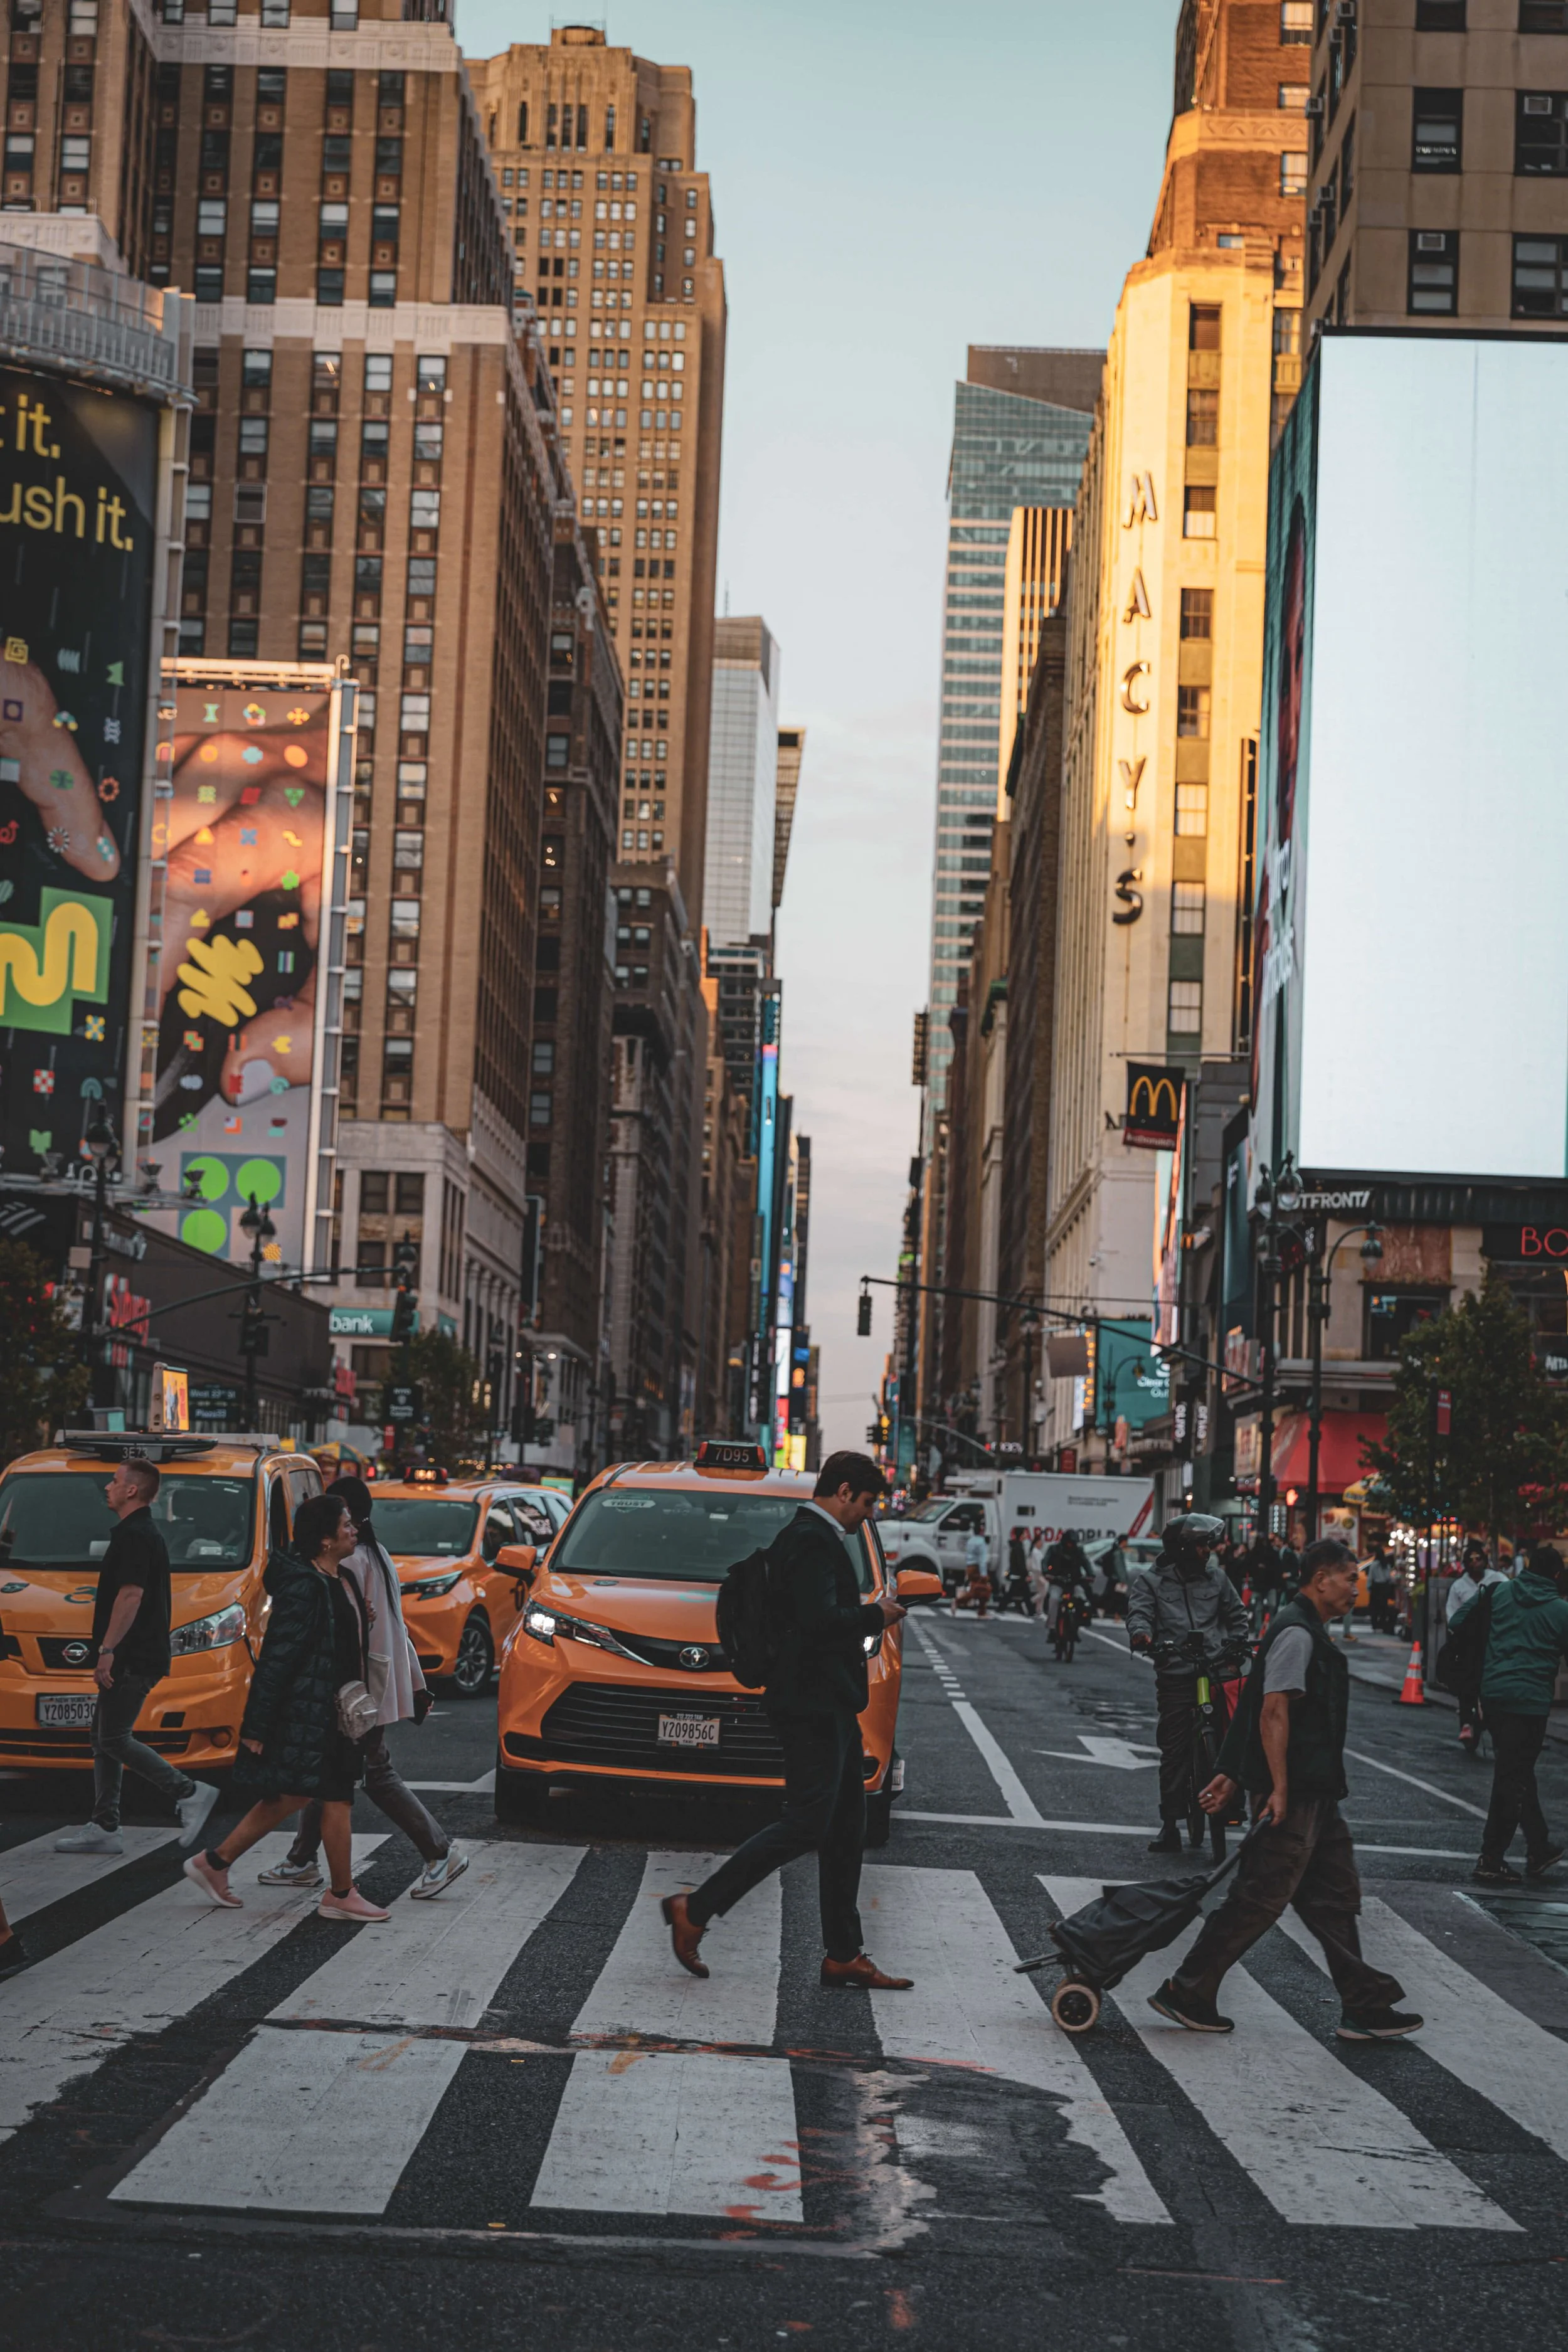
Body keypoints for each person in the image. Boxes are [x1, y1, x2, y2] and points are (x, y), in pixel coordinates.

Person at [1148, 1537, 1423, 2042]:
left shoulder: (1308, 1630)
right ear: (1322, 1579)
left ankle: (1364, 2003)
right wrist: (1273, 1787)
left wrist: (1234, 1772)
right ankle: (1188, 1989)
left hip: (1318, 1795)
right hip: (1294, 1796)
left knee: (1335, 1898)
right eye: (1350, 1578)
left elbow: (1253, 1705)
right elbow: (1271, 1709)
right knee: (1258, 1898)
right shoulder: (1297, 1634)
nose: (1355, 1588)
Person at [662, 1451, 913, 1991]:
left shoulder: (816, 1539)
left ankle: (844, 1954)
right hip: (811, 1705)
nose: (867, 1516)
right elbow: (820, 1622)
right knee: (806, 1822)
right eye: (866, 1503)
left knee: (849, 1829)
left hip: (831, 1704)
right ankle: (697, 1908)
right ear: (843, 1492)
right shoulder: (810, 1541)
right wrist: (878, 1614)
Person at [259, 1476, 467, 1899]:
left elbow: (344, 1630)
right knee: (328, 1773)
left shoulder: (351, 1561)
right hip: (373, 1683)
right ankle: (301, 1860)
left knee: (375, 1774)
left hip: (354, 1689)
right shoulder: (377, 1553)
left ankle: (441, 1851)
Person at [183, 1492, 388, 1920]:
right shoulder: (304, 1587)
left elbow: (332, 1639)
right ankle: (338, 1892)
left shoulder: (338, 1579)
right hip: (308, 1712)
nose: (355, 1531)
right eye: (347, 1525)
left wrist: (357, 1619)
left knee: (319, 1797)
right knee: (310, 1796)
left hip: (332, 1714)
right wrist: (257, 1727)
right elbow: (278, 1658)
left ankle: (219, 1864)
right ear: (326, 1540)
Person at [55, 1456, 220, 1859]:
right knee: (102, 1739)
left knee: (113, 1738)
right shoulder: (141, 1532)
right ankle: (105, 1825)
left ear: (132, 1490)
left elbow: (131, 1595)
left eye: (114, 1482)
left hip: (132, 1655)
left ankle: (189, 1792)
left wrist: (107, 1650)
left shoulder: (135, 1535)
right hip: (137, 1653)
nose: (107, 1488)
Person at [1128, 1513, 1249, 1852]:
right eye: (1201, 1545)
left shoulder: (1218, 1579)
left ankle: (1234, 1808)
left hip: (1217, 1670)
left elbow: (1237, 1616)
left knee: (1234, 1735)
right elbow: (1139, 1614)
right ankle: (1170, 1824)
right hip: (1176, 1673)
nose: (1207, 1551)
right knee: (1174, 1749)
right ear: (1183, 1548)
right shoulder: (1150, 1583)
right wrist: (1142, 1636)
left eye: (1207, 1544)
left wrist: (1237, 1643)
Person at [1454, 1544, 1568, 1887]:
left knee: (1516, 1772)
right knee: (1512, 1777)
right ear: (1558, 1576)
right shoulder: (1561, 1611)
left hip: (1495, 1697)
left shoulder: (1499, 1592)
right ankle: (1491, 1858)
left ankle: (1539, 1846)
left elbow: (1459, 1621)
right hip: (1531, 1704)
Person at [1442, 1541, 1510, 1757]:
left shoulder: (1499, 1580)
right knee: (1468, 1682)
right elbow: (1451, 1613)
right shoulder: (1459, 1587)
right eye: (1470, 1560)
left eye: (1478, 1559)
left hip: (1494, 1641)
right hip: (1469, 1643)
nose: (1475, 1563)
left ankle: (1497, 1729)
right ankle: (1467, 1724)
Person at [1365, 1539, 1396, 1636]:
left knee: (1374, 1608)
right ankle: (1382, 1625)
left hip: (1376, 1587)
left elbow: (1370, 1577)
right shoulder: (1385, 1565)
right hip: (1384, 1587)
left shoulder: (1374, 1565)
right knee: (1383, 1607)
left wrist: (1369, 1587)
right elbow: (1389, 1577)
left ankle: (1375, 1625)